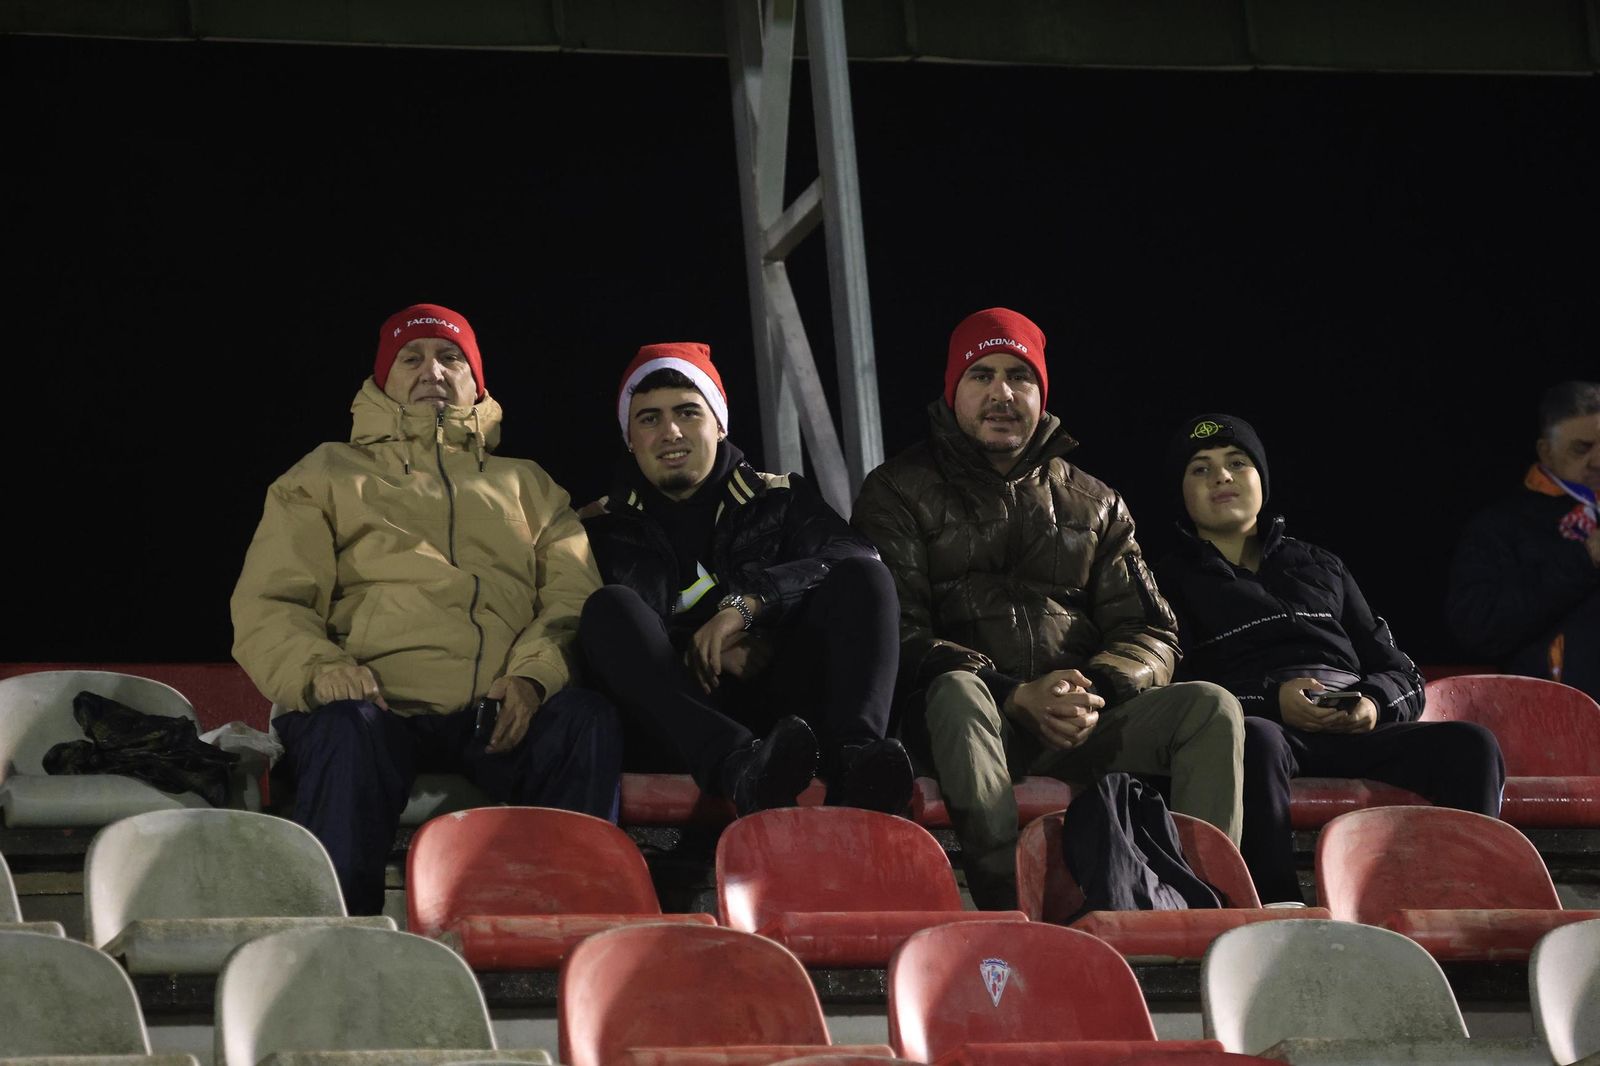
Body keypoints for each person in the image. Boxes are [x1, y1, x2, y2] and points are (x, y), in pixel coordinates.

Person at [231, 303, 622, 914]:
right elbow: (271, 603)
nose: (431, 370)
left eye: (450, 357)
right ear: (382, 381)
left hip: (495, 708)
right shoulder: (324, 474)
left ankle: (568, 932)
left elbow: (571, 600)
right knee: (344, 731)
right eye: (410, 358)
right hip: (375, 706)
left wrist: (532, 677)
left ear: (477, 381)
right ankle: (332, 947)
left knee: (583, 720)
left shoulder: (532, 486)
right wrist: (320, 670)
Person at [851, 307, 1244, 909]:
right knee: (957, 691)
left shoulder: (1096, 501)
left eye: (1019, 376)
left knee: (1210, 708)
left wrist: (1094, 691)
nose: (1001, 393)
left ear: (1042, 392)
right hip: (969, 720)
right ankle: (1011, 909)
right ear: (953, 390)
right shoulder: (896, 489)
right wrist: (1014, 693)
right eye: (981, 376)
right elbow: (896, 633)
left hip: (1078, 715)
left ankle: (1200, 912)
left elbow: (1152, 630)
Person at [1156, 412, 1505, 902]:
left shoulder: (1322, 565)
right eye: (1200, 468)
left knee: (1471, 745)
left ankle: (1464, 896)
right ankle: (1277, 904)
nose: (1223, 476)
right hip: (1265, 728)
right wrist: (1272, 700)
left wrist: (1372, 703)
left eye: (1238, 462)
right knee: (1250, 740)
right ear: (1181, 491)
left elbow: (1400, 669)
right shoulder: (1164, 580)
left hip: (1352, 722)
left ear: (1263, 478)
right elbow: (1176, 687)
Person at [578, 342, 913, 816]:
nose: (669, 431)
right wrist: (695, 646)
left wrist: (748, 609)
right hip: (679, 725)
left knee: (864, 575)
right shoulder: (599, 529)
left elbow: (855, 555)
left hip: (788, 715)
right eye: (649, 418)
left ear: (719, 423)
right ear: (629, 437)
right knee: (607, 608)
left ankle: (858, 763)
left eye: (688, 412)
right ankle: (739, 768)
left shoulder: (778, 497)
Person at [1448, 381, 1600, 701]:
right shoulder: (1502, 526)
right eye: (1582, 448)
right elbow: (1479, 627)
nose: (1598, 460)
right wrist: (1584, 558)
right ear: (1546, 451)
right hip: (1554, 717)